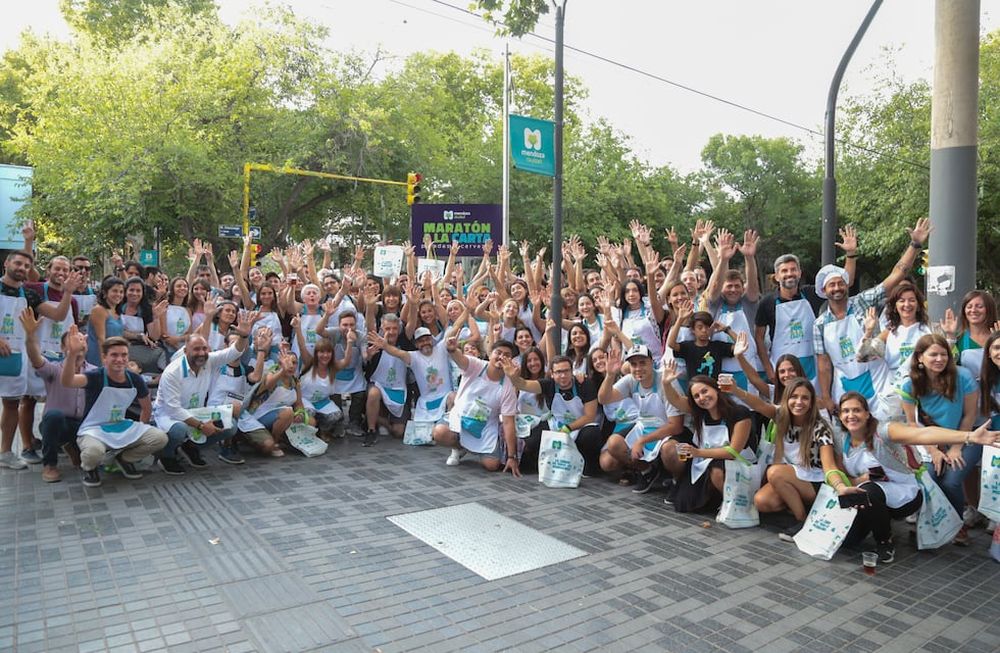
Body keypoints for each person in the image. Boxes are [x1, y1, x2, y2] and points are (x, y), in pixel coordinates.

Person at [822, 393, 1000, 562]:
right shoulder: (840, 437)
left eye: (856, 410)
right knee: (848, 542)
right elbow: (838, 471)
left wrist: (970, 436)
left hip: (905, 494)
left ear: (867, 414)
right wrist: (857, 481)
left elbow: (923, 434)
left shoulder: (883, 431)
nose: (851, 415)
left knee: (869, 491)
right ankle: (877, 519)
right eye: (846, 411)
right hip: (867, 493)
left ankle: (885, 542)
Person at [814, 217, 930, 414]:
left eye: (840, 283)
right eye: (831, 285)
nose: (837, 288)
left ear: (846, 284)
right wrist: (825, 396)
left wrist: (915, 244)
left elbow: (897, 275)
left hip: (879, 382)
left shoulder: (863, 301)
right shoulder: (820, 324)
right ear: (824, 291)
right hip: (843, 386)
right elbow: (824, 363)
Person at [727, 374, 835, 541]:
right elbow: (759, 405)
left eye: (805, 398)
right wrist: (736, 390)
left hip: (815, 483)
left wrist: (840, 485)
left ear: (812, 402)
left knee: (775, 472)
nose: (799, 402)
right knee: (761, 501)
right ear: (787, 398)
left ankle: (802, 521)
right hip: (790, 476)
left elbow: (829, 466)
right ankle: (801, 508)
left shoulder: (820, 427)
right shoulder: (781, 415)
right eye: (794, 397)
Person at [59, 330, 168, 488]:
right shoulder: (95, 376)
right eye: (114, 355)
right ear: (104, 358)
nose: (120, 359)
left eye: (124, 355)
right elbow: (67, 381)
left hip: (119, 424)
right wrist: (72, 354)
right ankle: (90, 468)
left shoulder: (135, 379)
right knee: (93, 453)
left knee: (159, 438)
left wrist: (139, 432)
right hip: (93, 429)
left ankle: (124, 459)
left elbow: (146, 408)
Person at [899, 333, 979, 545]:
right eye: (933, 354)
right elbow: (913, 425)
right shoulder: (909, 386)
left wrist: (955, 448)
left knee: (952, 480)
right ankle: (934, 524)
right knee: (930, 478)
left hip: (967, 436)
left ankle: (958, 525)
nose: (939, 359)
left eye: (943, 354)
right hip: (928, 442)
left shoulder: (963, 377)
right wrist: (933, 450)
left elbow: (970, 415)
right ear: (919, 358)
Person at [152, 309, 253, 474]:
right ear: (185, 352)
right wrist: (200, 425)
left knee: (230, 425)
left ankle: (190, 447)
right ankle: (167, 456)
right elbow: (174, 409)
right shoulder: (173, 372)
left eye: (204, 349)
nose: (201, 353)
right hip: (170, 416)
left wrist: (243, 336)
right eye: (196, 349)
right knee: (179, 430)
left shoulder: (209, 360)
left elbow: (233, 352)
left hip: (196, 413)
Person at [754, 227, 857, 384]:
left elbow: (843, 281)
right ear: (776, 276)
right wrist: (768, 369)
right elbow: (759, 338)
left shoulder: (810, 294)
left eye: (793, 270)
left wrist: (850, 254)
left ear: (800, 273)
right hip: (782, 370)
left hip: (813, 368)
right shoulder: (767, 303)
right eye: (784, 271)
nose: (789, 274)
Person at [0, 250, 75, 469]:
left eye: (26, 266)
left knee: (11, 403)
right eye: (18, 263)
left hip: (15, 359)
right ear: (7, 263)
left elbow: (59, 316)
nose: (21, 268)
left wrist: (68, 292)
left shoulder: (29, 295)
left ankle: (4, 453)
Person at [661, 366, 754, 513]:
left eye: (705, 391)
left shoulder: (739, 413)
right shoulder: (701, 413)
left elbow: (733, 451)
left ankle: (736, 507)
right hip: (706, 459)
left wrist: (698, 452)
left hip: (737, 462)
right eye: (696, 396)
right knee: (684, 501)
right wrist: (666, 384)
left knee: (717, 471)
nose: (702, 398)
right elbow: (676, 400)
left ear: (716, 389)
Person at [598, 345, 684, 492]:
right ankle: (647, 471)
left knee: (670, 451)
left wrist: (642, 441)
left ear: (652, 362)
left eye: (642, 363)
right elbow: (604, 399)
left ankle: (678, 481)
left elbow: (676, 426)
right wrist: (610, 375)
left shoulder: (665, 381)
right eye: (633, 364)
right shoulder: (631, 380)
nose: (638, 368)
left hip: (668, 430)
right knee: (613, 444)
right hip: (644, 426)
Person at [502, 354, 603, 476]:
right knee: (532, 441)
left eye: (566, 371)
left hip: (581, 425)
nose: (563, 376)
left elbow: (589, 416)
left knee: (591, 435)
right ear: (552, 373)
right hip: (557, 424)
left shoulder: (585, 384)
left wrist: (568, 428)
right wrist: (513, 377)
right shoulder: (548, 384)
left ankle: (588, 466)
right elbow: (523, 384)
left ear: (572, 371)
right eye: (558, 372)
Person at [20, 308, 89, 482]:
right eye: (72, 340)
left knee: (87, 460)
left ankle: (72, 447)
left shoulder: (94, 372)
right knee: (54, 416)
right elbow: (35, 357)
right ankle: (50, 464)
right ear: (63, 347)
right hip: (56, 424)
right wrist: (30, 336)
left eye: (81, 339)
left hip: (83, 426)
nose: (77, 343)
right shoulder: (54, 369)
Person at [432, 338, 519, 474]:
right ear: (490, 354)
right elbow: (460, 359)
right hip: (460, 418)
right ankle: (459, 447)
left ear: (512, 361)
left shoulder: (508, 386)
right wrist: (452, 349)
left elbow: (508, 422)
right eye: (498, 352)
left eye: (507, 355)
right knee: (439, 433)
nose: (501, 357)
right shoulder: (476, 365)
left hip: (485, 427)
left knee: (492, 465)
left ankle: (475, 448)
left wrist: (511, 456)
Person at [857, 281, 933, 419]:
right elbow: (862, 356)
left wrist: (950, 337)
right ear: (895, 306)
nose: (907, 305)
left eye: (911, 300)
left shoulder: (928, 330)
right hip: (894, 395)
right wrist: (868, 332)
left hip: (923, 391)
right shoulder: (890, 332)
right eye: (901, 301)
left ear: (918, 305)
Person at [237, 348, 305, 457]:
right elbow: (268, 384)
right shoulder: (271, 374)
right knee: (287, 413)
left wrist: (300, 413)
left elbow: (298, 403)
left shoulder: (295, 382)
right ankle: (275, 441)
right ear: (280, 363)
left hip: (280, 415)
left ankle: (280, 438)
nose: (291, 365)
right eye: (287, 362)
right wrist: (283, 370)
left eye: (294, 362)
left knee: (310, 421)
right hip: (258, 415)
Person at [363, 314, 410, 442]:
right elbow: (364, 363)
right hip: (378, 385)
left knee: (398, 432)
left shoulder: (404, 344)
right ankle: (371, 429)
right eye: (388, 328)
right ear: (382, 329)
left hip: (398, 388)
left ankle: (380, 420)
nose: (391, 332)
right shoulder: (374, 344)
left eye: (394, 328)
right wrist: (368, 357)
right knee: (373, 393)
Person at [941, 290, 999, 380]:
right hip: (969, 392)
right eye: (969, 307)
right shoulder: (960, 340)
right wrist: (950, 336)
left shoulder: (996, 335)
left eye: (979, 306)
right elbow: (944, 365)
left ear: (989, 309)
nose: (973, 310)